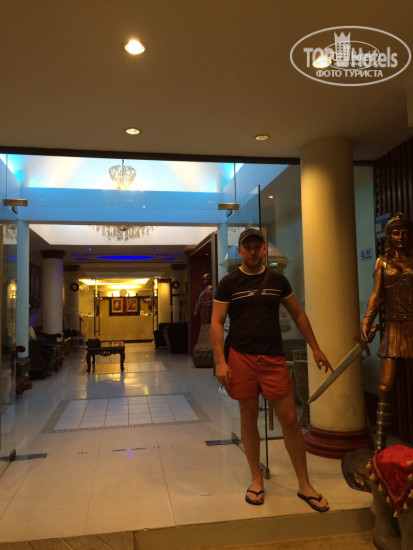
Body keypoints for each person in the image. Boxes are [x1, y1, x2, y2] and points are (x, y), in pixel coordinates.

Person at [211, 228, 332, 511]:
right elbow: (216, 322)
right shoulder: (228, 283)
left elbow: (298, 313)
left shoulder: (278, 280)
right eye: (248, 247)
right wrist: (220, 361)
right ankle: (256, 479)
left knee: (289, 420)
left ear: (264, 249)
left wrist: (315, 347)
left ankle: (304, 484)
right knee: (248, 417)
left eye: (257, 246)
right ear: (240, 251)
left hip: (273, 358)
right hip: (241, 357)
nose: (253, 251)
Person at [362, 212, 413, 451]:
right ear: (388, 236)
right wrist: (366, 322)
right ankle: (379, 447)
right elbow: (376, 295)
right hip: (393, 328)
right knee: (384, 387)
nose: (400, 236)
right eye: (395, 232)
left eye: (404, 232)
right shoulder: (382, 263)